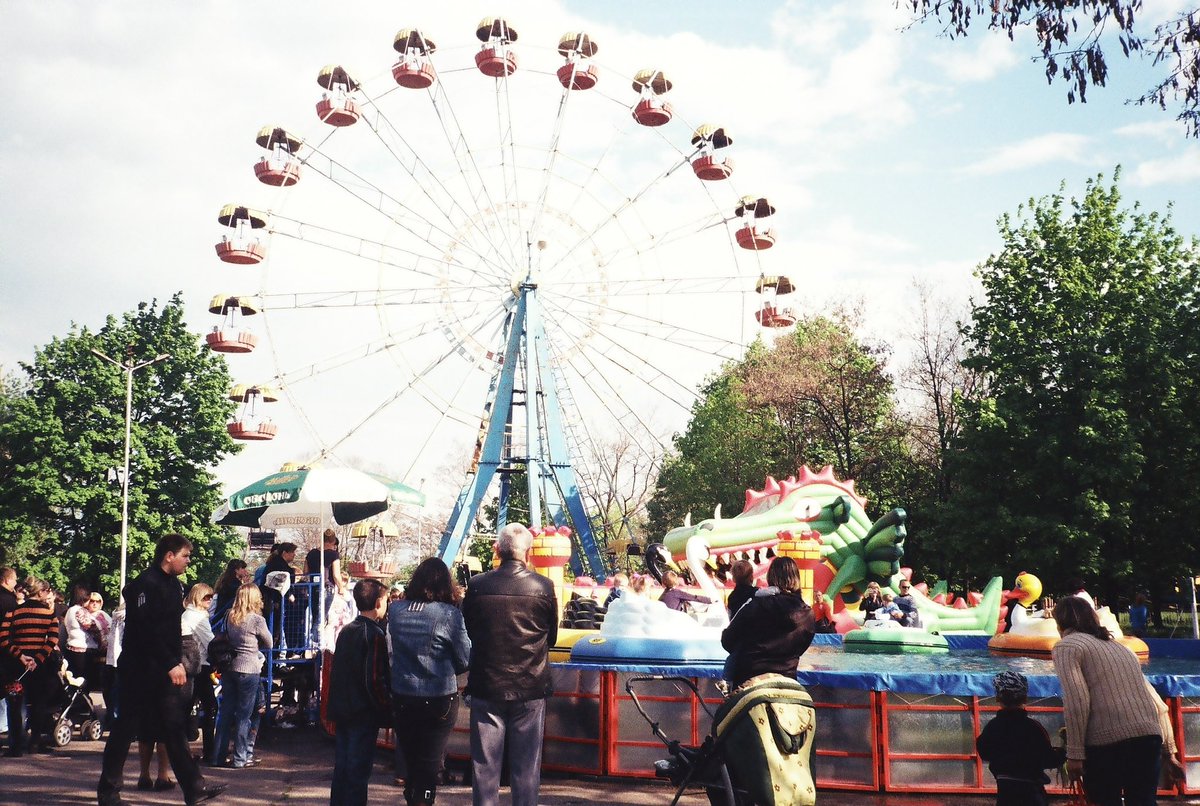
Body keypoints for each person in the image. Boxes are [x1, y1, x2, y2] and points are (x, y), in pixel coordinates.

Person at [97, 533, 225, 806]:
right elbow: (146, 628)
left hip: (161, 668)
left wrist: (172, 661)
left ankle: (194, 788)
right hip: (139, 669)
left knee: (174, 726)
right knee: (125, 728)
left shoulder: (174, 586)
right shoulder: (148, 583)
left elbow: (166, 630)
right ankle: (109, 792)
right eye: (185, 556)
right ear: (169, 555)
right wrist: (171, 663)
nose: (188, 561)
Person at [1052, 595, 1185, 805]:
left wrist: (1075, 754)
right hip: (1148, 738)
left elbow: (1077, 700)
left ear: (1059, 622)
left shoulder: (1068, 646)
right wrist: (1170, 753)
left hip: (1107, 742)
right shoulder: (1122, 649)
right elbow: (1157, 704)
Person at [462, 523, 558, 806]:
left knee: (484, 767)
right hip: (530, 685)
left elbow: (469, 629)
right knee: (526, 768)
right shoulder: (543, 587)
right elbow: (550, 637)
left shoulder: (477, 586)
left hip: (486, 684)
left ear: (497, 549)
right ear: (528, 553)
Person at [388, 558, 471, 806]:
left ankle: (413, 795)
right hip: (439, 697)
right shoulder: (450, 615)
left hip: (402, 693)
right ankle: (422, 799)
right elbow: (465, 658)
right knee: (429, 764)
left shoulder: (396, 610)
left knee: (412, 760)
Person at [328, 578, 391, 806]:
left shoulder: (347, 631)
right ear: (377, 602)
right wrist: (386, 706)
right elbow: (374, 678)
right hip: (362, 712)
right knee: (357, 771)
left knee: (343, 768)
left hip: (344, 709)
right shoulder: (374, 635)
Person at [720, 556, 816, 690]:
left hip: (750, 680)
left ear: (771, 577)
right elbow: (802, 647)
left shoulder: (754, 604)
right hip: (788, 681)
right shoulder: (808, 614)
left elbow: (728, 640)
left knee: (724, 710)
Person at [975, 671, 1064, 805]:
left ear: (998, 698)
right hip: (1033, 794)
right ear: (1025, 698)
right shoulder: (1033, 728)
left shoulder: (992, 727)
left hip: (1005, 792)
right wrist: (1063, 753)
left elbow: (984, 751)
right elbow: (1048, 759)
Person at [211, 582, 272, 769]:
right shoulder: (256, 620)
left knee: (226, 712)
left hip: (230, 667)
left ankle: (217, 756)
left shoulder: (230, 615)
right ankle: (240, 758)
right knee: (244, 716)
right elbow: (269, 643)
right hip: (249, 669)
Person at [0, 576, 60, 756]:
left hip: (17, 666)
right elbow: (53, 639)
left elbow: (3, 637)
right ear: (41, 592)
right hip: (39, 666)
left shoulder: (14, 612)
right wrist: (38, 658)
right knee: (39, 703)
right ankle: (35, 742)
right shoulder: (50, 614)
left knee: (15, 703)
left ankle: (16, 746)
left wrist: (21, 656)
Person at [183, 584, 216, 762]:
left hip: (191, 664)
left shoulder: (188, 615)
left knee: (188, 707)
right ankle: (210, 750)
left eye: (211, 596)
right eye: (206, 597)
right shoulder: (198, 618)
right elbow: (210, 642)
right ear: (197, 597)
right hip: (199, 665)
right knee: (210, 706)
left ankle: (184, 749)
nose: (210, 600)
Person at [210, 559, 249, 631]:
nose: (245, 570)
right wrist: (245, 585)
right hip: (227, 616)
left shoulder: (225, 580)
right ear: (236, 570)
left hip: (220, 614)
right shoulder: (235, 584)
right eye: (242, 568)